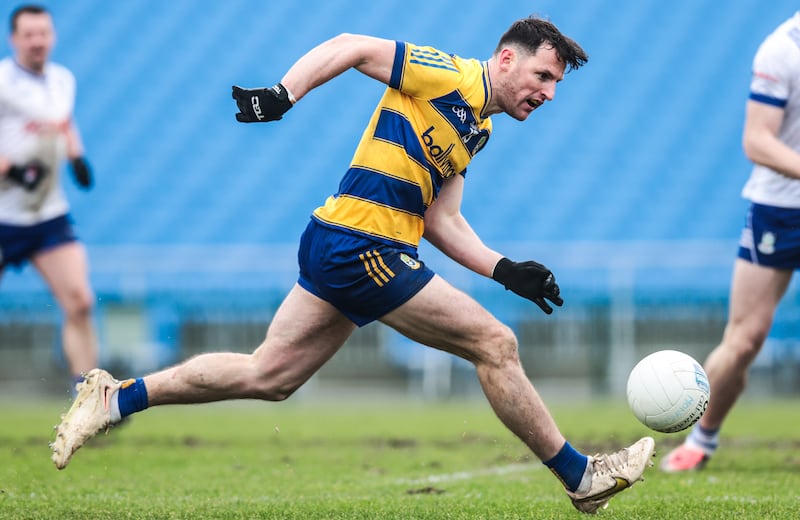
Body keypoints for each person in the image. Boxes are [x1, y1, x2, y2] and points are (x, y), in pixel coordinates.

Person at [51, 17, 655, 513]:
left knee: (270, 376)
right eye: (543, 75)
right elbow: (350, 46)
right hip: (361, 244)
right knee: (494, 342)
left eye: (555, 84)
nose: (548, 92)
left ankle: (113, 399)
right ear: (505, 59)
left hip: (342, 241)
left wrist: (505, 269)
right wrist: (282, 95)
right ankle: (581, 477)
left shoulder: (478, 129)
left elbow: (441, 220)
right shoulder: (446, 74)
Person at [661, 12, 800, 472]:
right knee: (744, 340)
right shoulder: (782, 49)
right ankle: (701, 439)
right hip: (778, 210)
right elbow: (757, 141)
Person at [0, 4, 97, 389]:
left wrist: (76, 155)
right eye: (29, 34)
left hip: (46, 213)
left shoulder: (62, 80)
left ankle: (88, 394)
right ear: (14, 39)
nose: (37, 41)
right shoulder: (3, 81)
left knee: (80, 302)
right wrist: (12, 169)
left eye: (43, 33)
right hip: (4, 213)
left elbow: (62, 122)